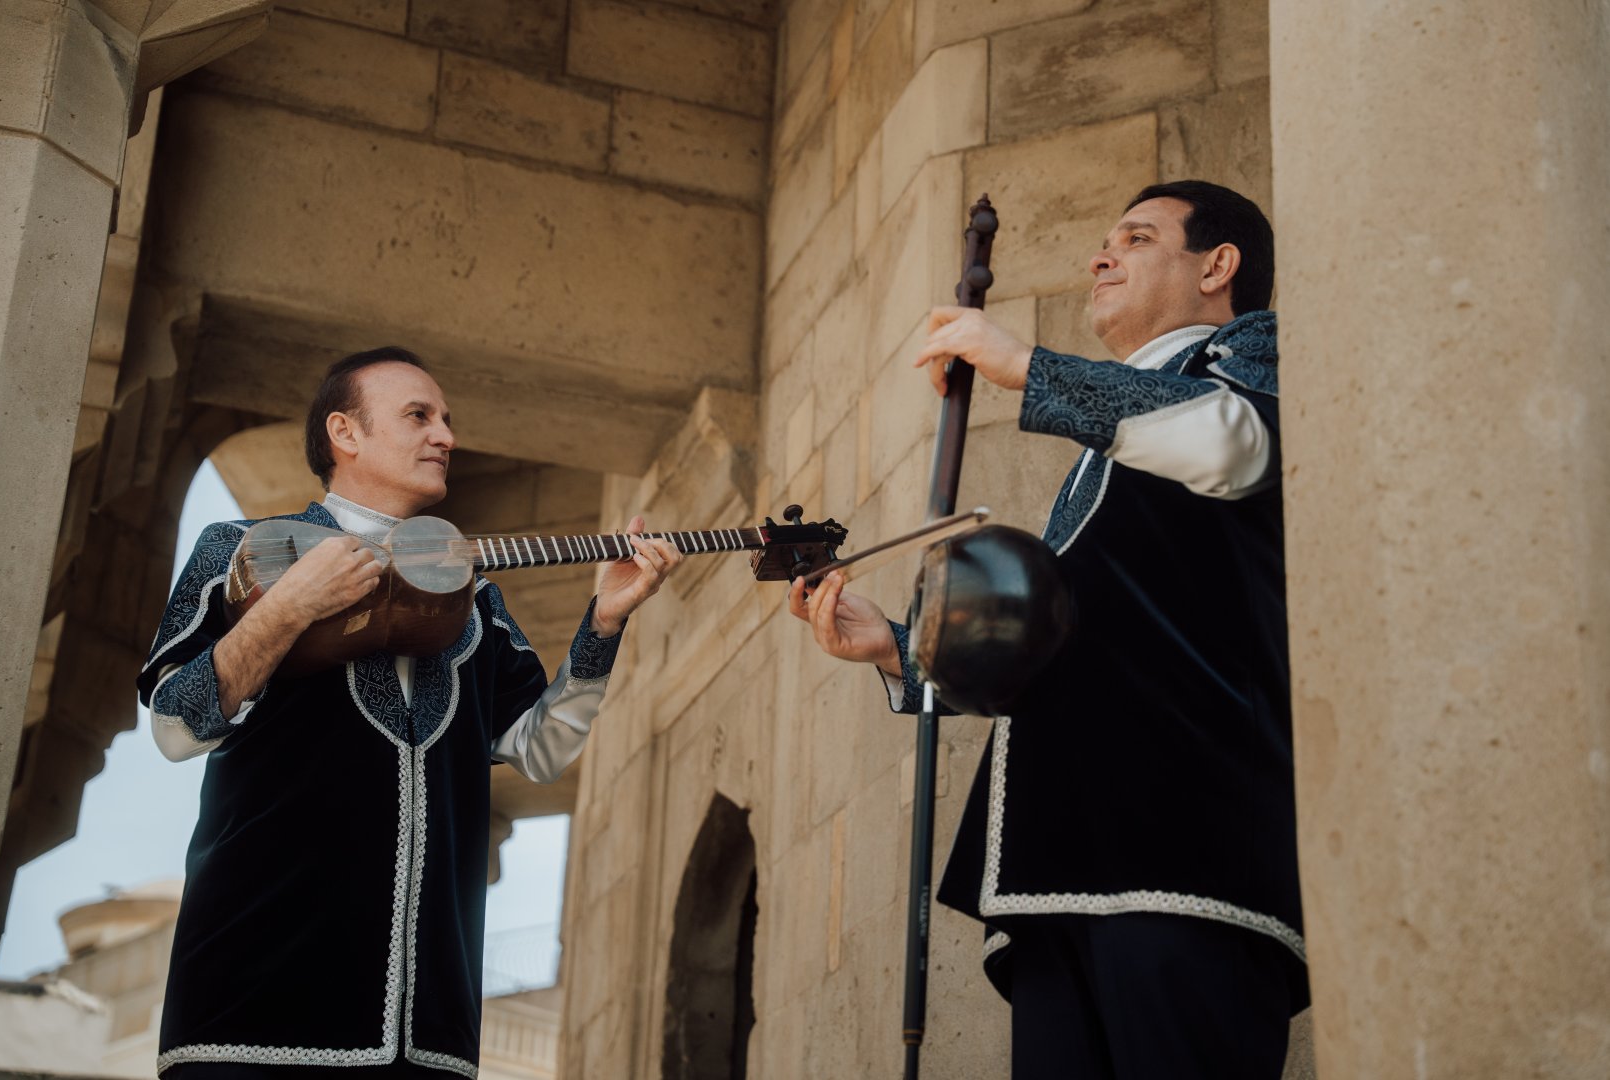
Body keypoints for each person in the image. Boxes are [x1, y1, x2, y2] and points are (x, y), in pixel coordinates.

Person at [789, 180, 1307, 1078]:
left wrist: (1029, 367)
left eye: (1137, 239)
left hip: (1185, 856)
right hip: (1059, 866)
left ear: (1218, 267)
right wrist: (901, 645)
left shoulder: (1249, 356)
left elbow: (1236, 443)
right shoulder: (1119, 438)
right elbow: (1078, 653)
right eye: (1104, 240)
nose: (1101, 256)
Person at [138, 347, 683, 1079]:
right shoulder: (235, 551)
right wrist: (292, 606)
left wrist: (605, 623)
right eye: (419, 416)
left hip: (427, 1034)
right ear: (346, 433)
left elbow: (541, 747)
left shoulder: (476, 598)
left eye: (448, 420)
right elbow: (175, 725)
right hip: (249, 1013)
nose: (447, 437)